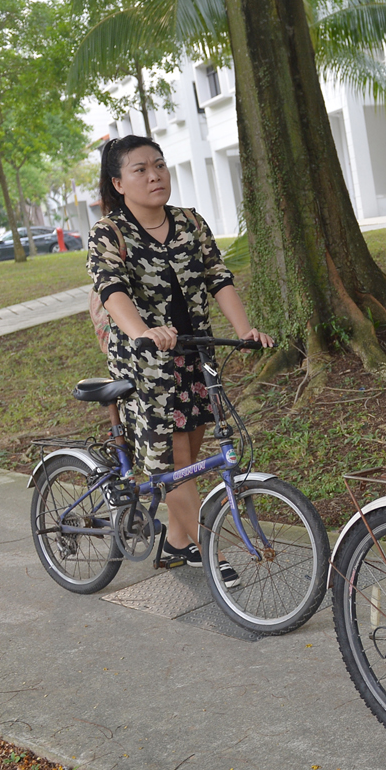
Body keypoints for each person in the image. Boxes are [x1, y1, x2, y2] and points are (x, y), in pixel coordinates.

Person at [87, 135, 273, 585]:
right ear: (118, 182)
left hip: (193, 352)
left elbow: (218, 277)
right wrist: (143, 333)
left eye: (160, 166)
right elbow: (112, 290)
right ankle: (211, 550)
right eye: (140, 169)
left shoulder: (189, 222)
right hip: (145, 364)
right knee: (175, 462)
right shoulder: (108, 232)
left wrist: (244, 328)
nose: (155, 176)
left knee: (191, 449)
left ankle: (175, 545)